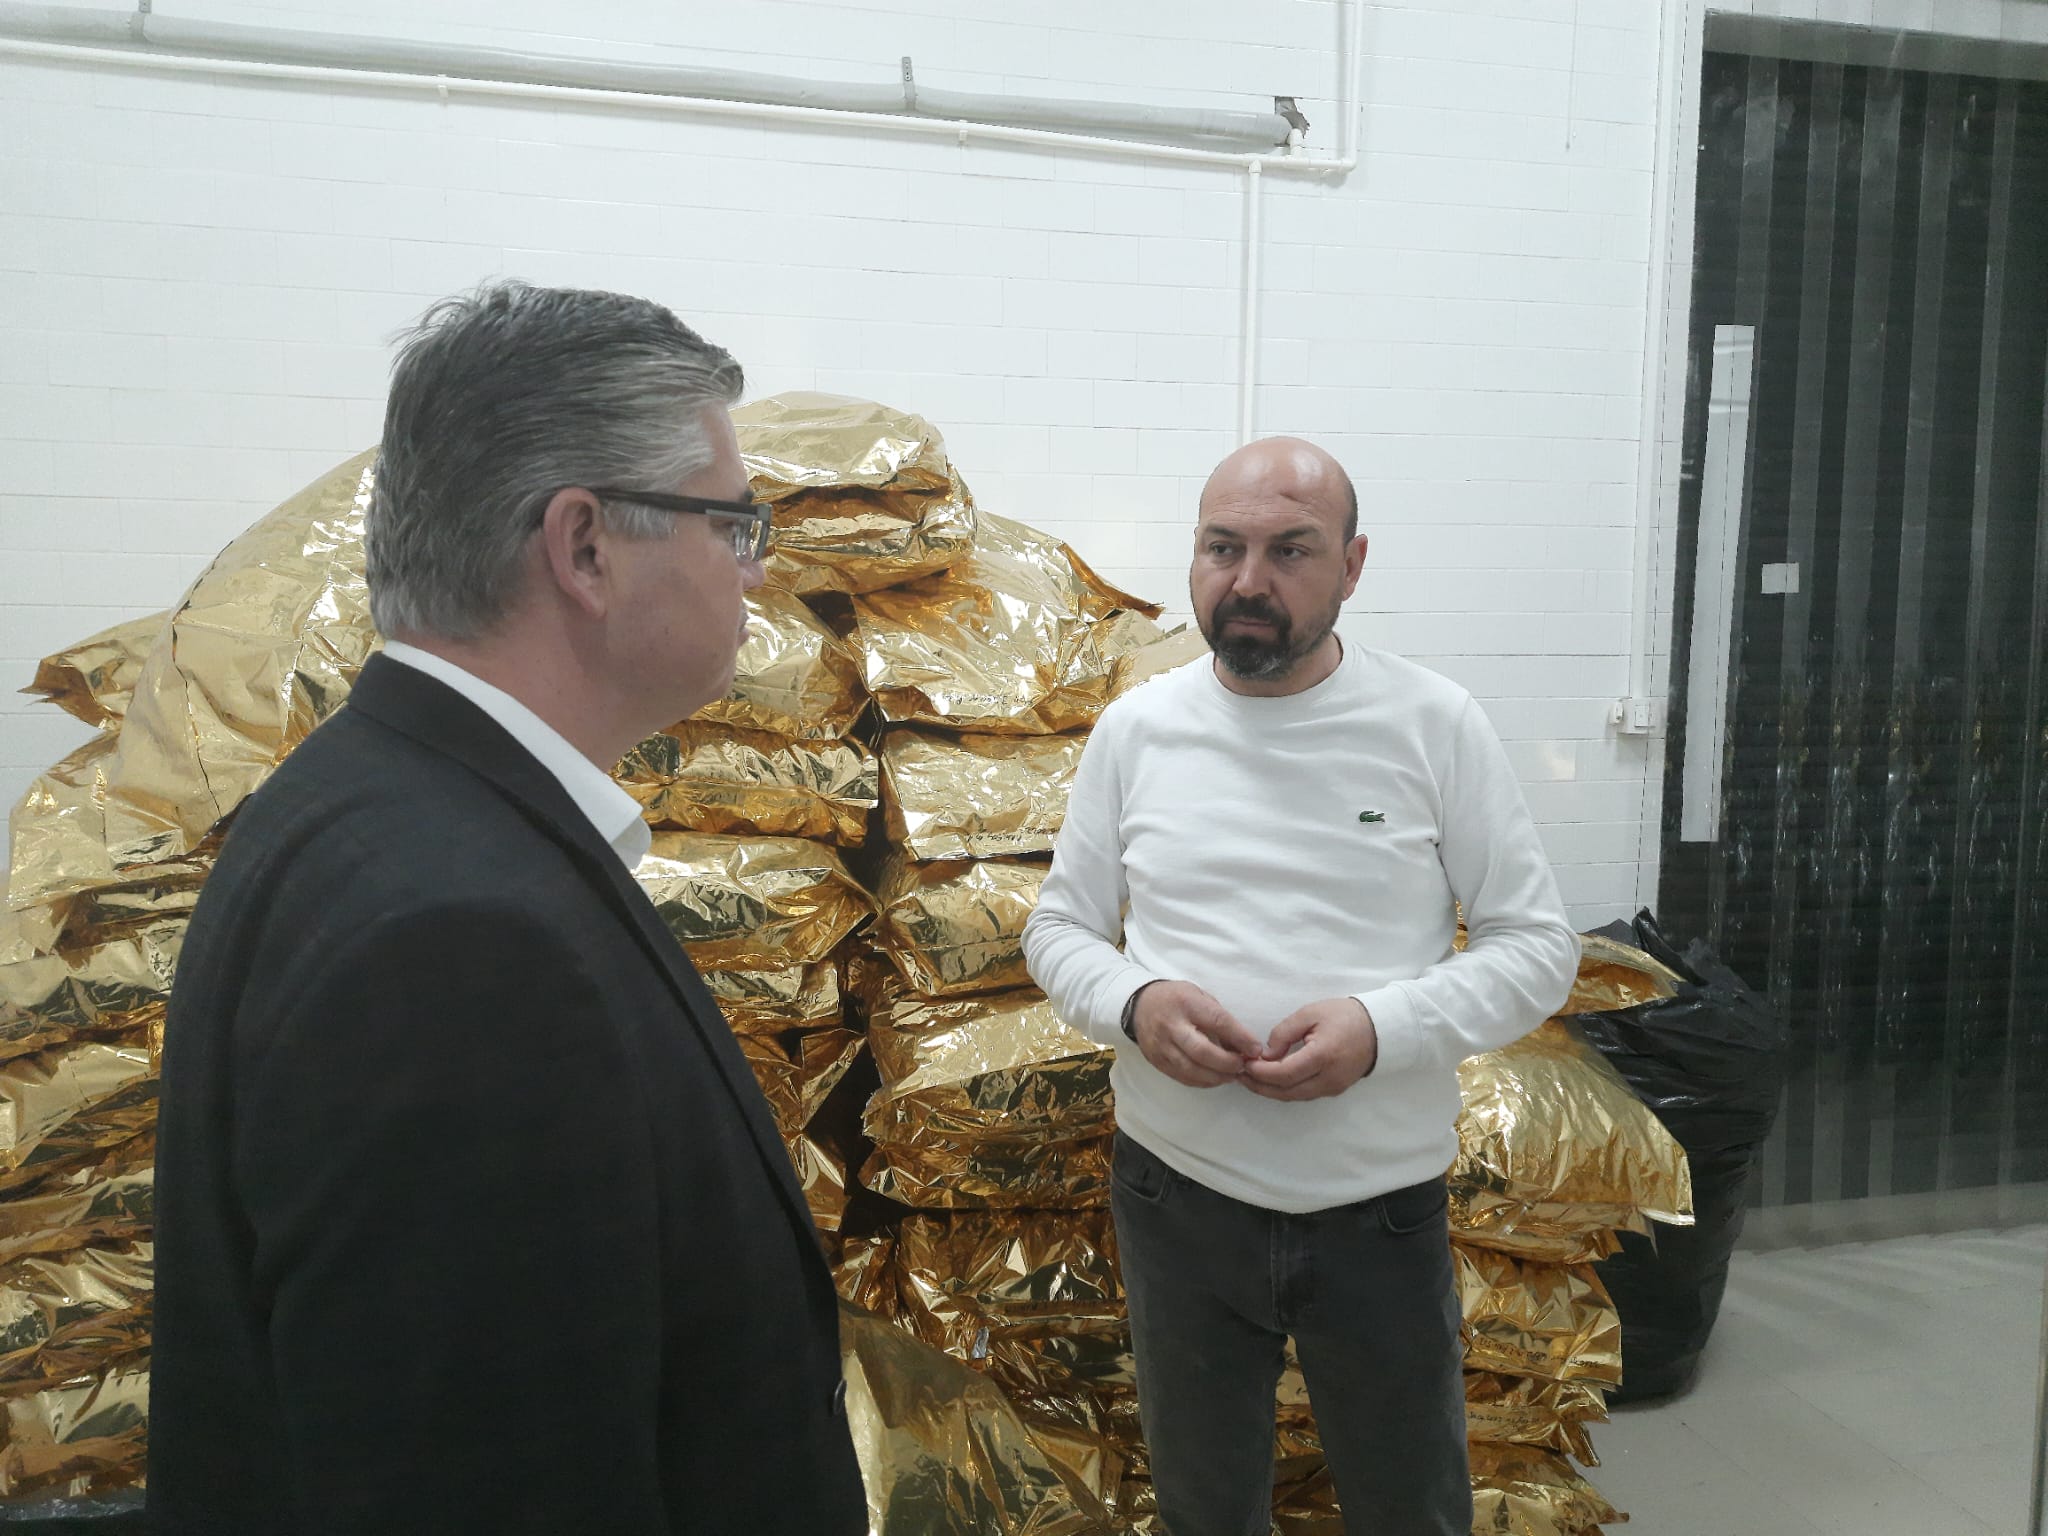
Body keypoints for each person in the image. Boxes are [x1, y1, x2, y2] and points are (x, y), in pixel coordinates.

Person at [149, 283, 867, 1535]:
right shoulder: (462, 946)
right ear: (584, 547)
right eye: (731, 524)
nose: (754, 570)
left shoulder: (371, 805)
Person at [1022, 436, 1579, 1536]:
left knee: (1407, 1507)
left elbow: (1534, 946)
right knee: (1204, 1508)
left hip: (1376, 1214)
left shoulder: (1432, 724)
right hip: (1176, 1199)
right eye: (1221, 548)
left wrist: (1380, 1027)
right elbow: (1059, 928)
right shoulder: (1138, 729)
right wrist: (1134, 1005)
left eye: (1290, 550)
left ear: (1352, 566)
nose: (1247, 581)